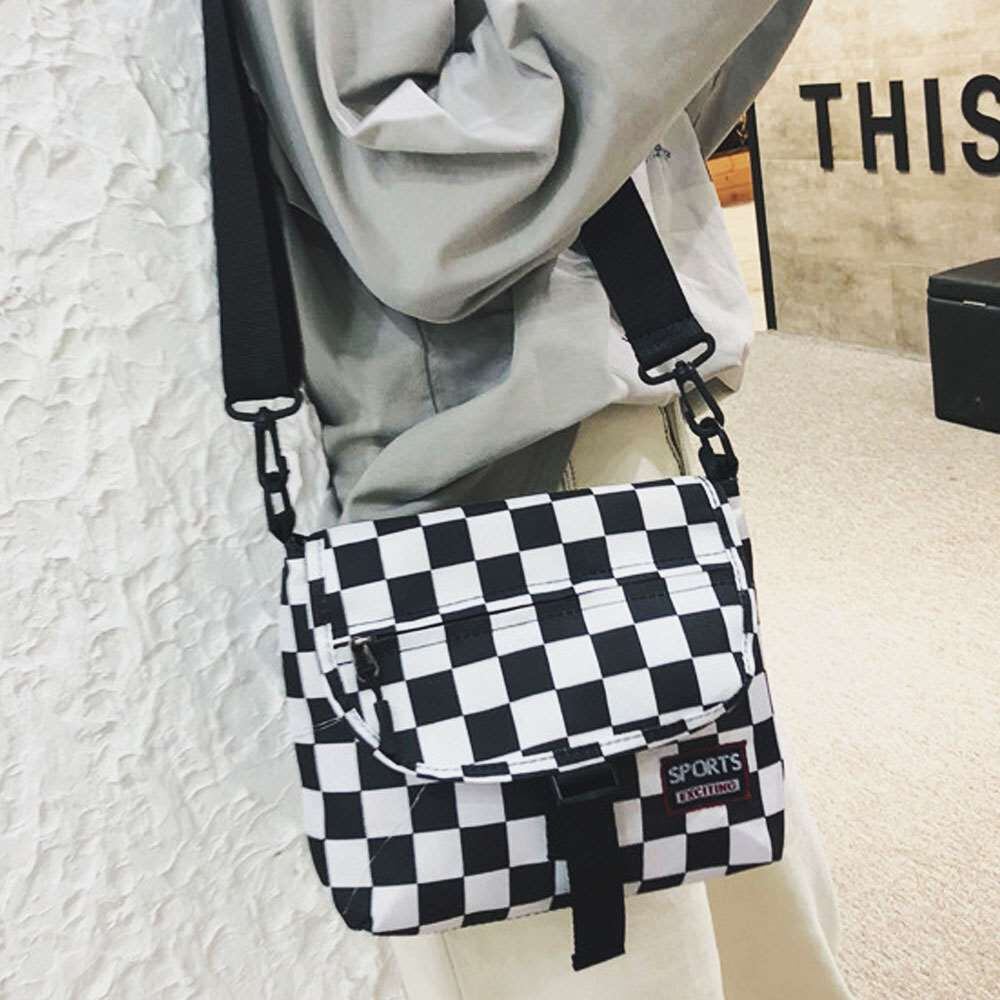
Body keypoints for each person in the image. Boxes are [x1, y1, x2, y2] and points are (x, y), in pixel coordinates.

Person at [234, 2, 852, 996]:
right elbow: (421, 209)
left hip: (629, 475)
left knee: (768, 953)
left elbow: (653, 120)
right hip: (495, 510)